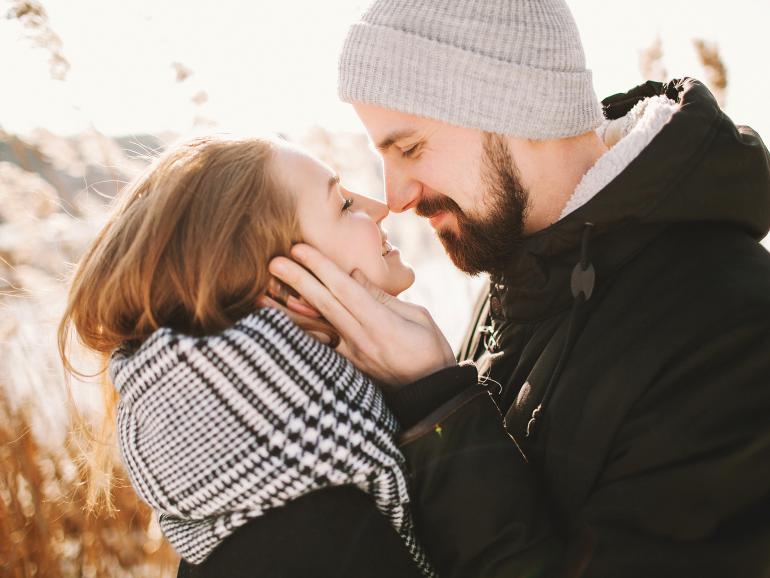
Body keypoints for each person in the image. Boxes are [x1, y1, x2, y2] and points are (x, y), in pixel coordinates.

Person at [267, 1, 770, 576]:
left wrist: (439, 407)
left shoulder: (731, 330)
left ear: (519, 108)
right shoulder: (523, 274)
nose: (397, 196)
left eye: (409, 149)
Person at [58, 134, 535, 578]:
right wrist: (440, 397)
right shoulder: (322, 540)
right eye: (344, 205)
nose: (380, 207)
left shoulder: (271, 485)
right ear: (290, 290)